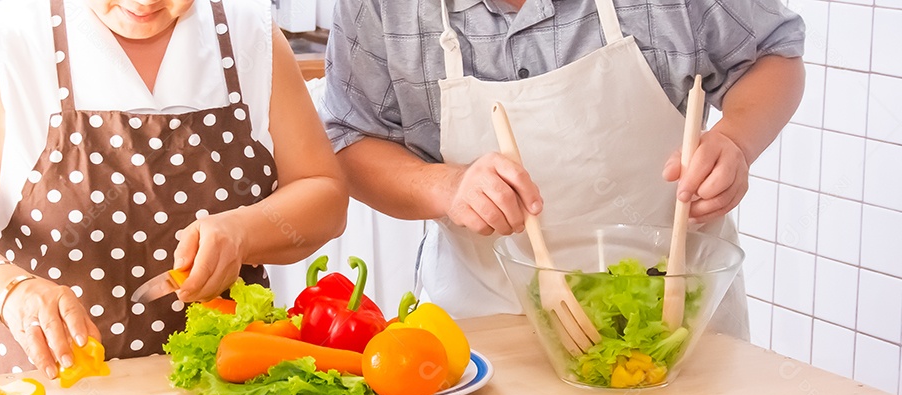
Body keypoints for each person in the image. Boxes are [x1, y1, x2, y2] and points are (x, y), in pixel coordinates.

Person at [320, 0, 806, 338]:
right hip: (484, 326)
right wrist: (446, 186)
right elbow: (349, 137)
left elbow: (772, 54)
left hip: (676, 323)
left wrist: (736, 141)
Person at [0, 0, 348, 378]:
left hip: (219, 389)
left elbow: (324, 193)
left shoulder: (249, 33)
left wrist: (244, 231)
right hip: (39, 392)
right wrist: (12, 290)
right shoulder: (8, 39)